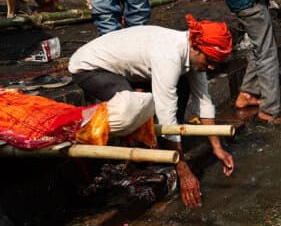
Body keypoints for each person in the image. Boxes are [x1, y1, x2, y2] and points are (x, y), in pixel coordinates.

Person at [68, 15, 236, 207]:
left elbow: (204, 100)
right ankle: (138, 148)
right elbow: (167, 116)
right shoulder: (170, 56)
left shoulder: (192, 56)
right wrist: (183, 170)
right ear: (196, 48)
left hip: (130, 69)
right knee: (133, 109)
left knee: (181, 86)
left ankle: (161, 146)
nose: (212, 67)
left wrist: (217, 148)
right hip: (90, 67)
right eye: (210, 60)